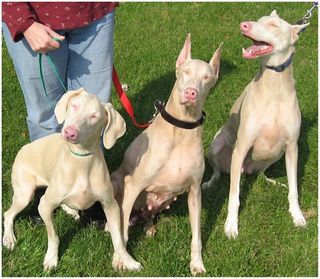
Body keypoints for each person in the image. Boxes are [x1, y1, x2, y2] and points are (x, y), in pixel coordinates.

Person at [2, 2, 117, 225]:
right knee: (44, 114)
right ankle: (48, 187)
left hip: (94, 11)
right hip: (34, 13)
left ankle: (91, 191)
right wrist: (23, 22)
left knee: (93, 110)